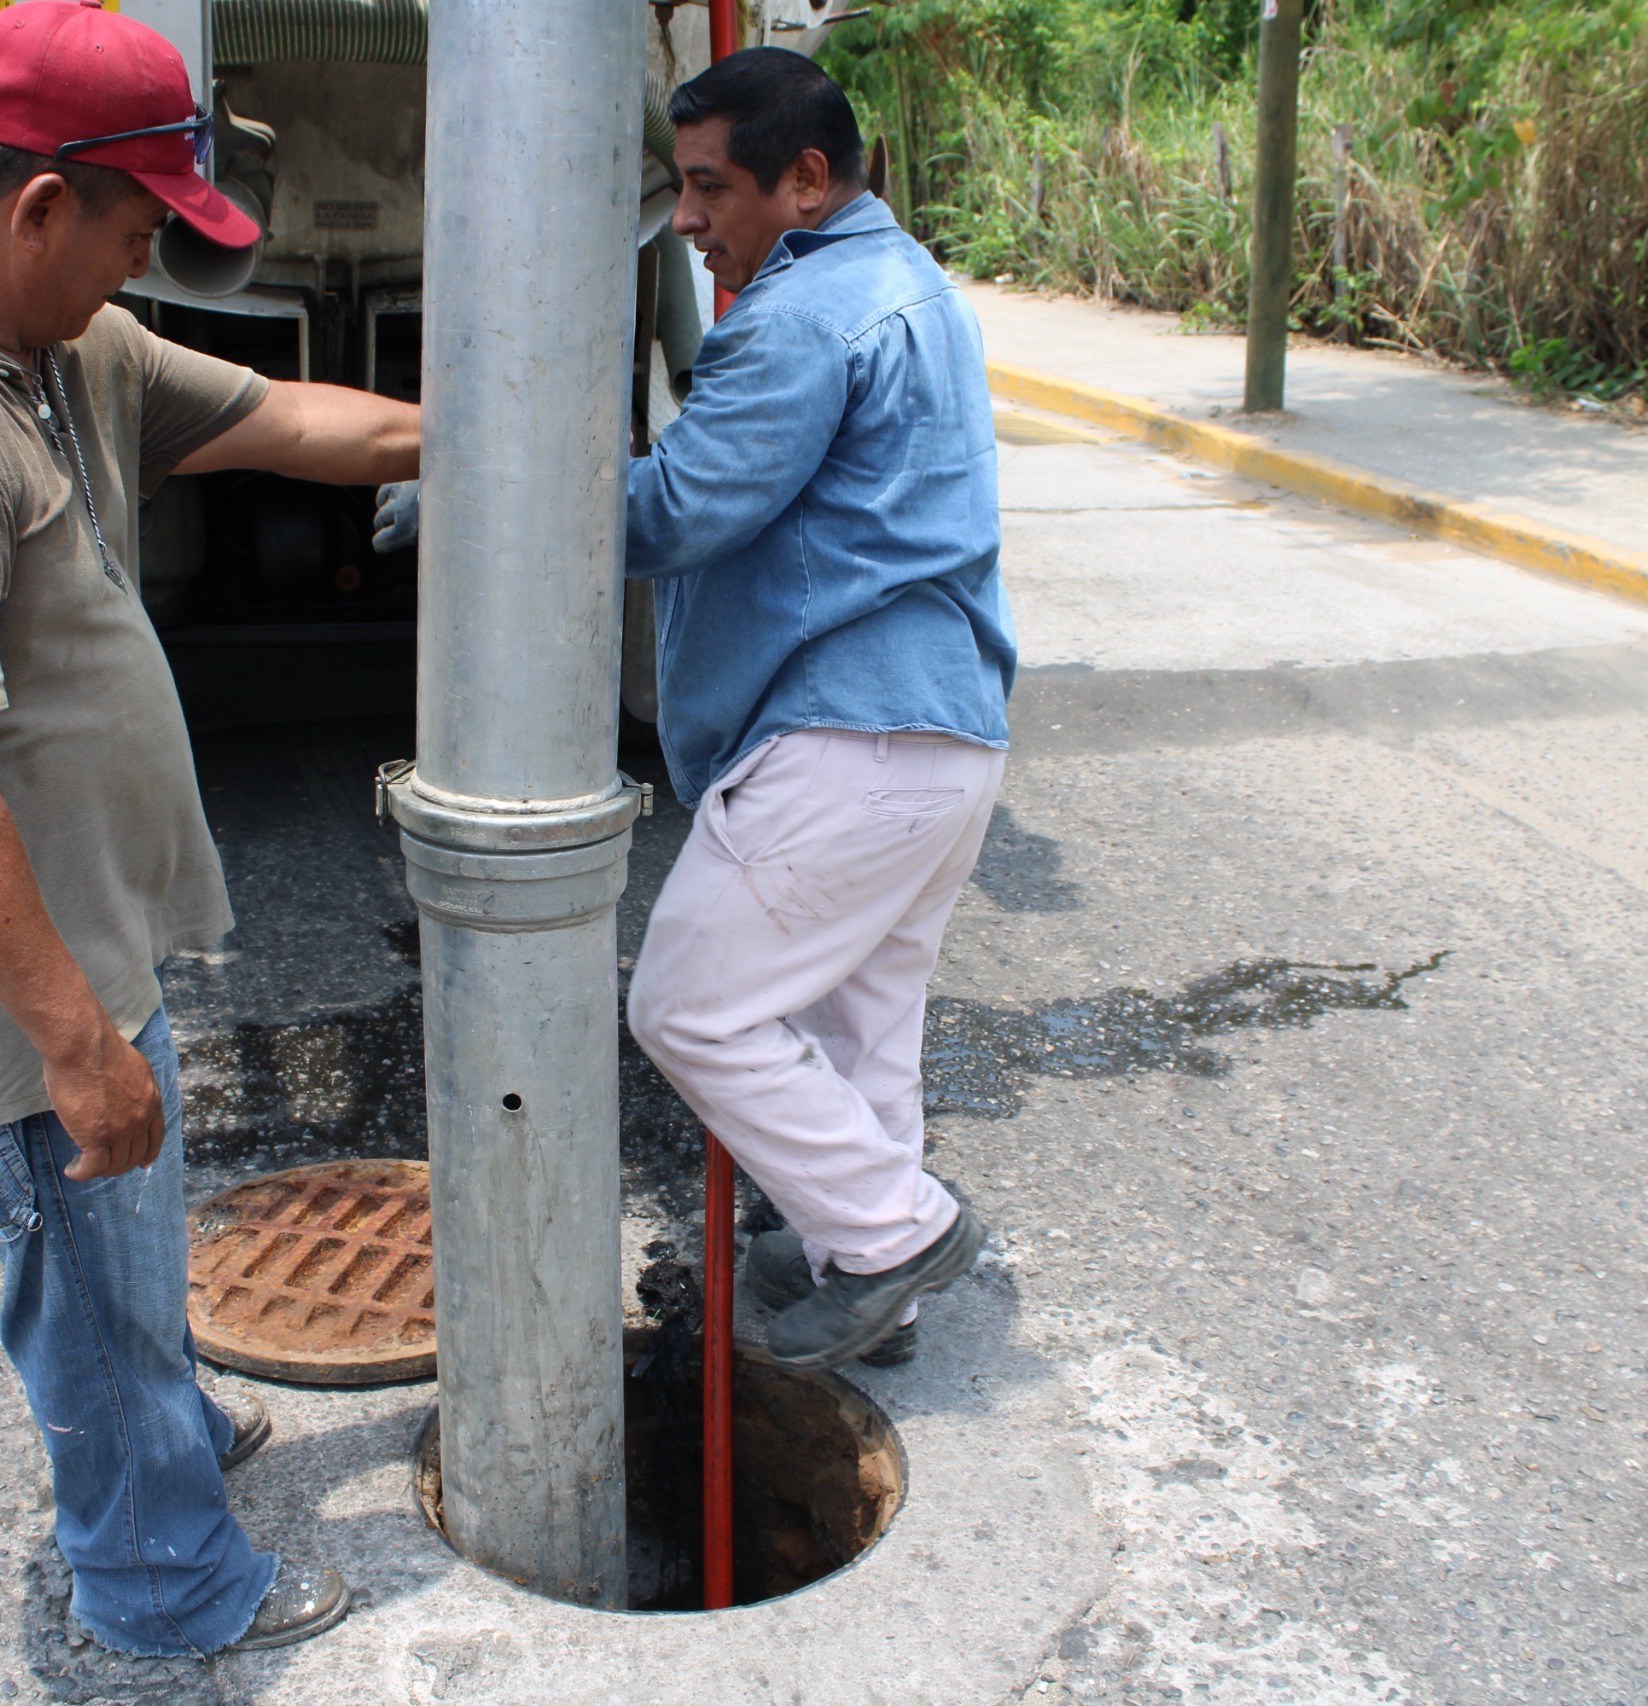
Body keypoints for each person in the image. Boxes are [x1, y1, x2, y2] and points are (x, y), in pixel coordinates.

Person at [0, 0, 418, 1659]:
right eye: (134, 231)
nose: (142, 265)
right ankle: (165, 1586)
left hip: (81, 956)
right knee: (97, 1310)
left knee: (126, 1274)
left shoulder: (53, 352)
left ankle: (166, 1435)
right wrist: (71, 1041)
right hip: (11, 1016)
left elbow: (284, 420)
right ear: (42, 204)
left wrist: (502, 441)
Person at [621, 49, 1017, 1372]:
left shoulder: (798, 316)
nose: (688, 219)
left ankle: (895, 1235)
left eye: (708, 188)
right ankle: (871, 1278)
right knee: (861, 1031)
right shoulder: (915, 283)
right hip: (943, 738)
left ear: (803, 179)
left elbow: (682, 507)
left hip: (851, 735)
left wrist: (484, 496)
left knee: (692, 1008)